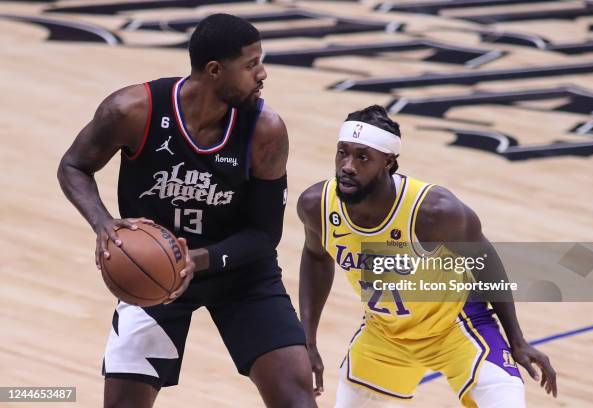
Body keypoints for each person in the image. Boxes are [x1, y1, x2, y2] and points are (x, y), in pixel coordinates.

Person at [58, 13, 315, 408]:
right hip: (155, 276)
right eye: (251, 65)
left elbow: (265, 236)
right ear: (215, 71)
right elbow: (74, 166)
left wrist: (197, 257)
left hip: (241, 274)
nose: (262, 74)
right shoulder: (132, 110)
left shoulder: (265, 130)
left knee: (296, 399)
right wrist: (104, 224)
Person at [297, 105, 557, 407]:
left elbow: (486, 264)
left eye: (362, 156)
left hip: (458, 327)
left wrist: (517, 339)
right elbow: (316, 257)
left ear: (388, 162)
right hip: (385, 334)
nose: (348, 166)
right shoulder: (317, 205)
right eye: (343, 152)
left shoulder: (435, 212)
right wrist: (309, 341)